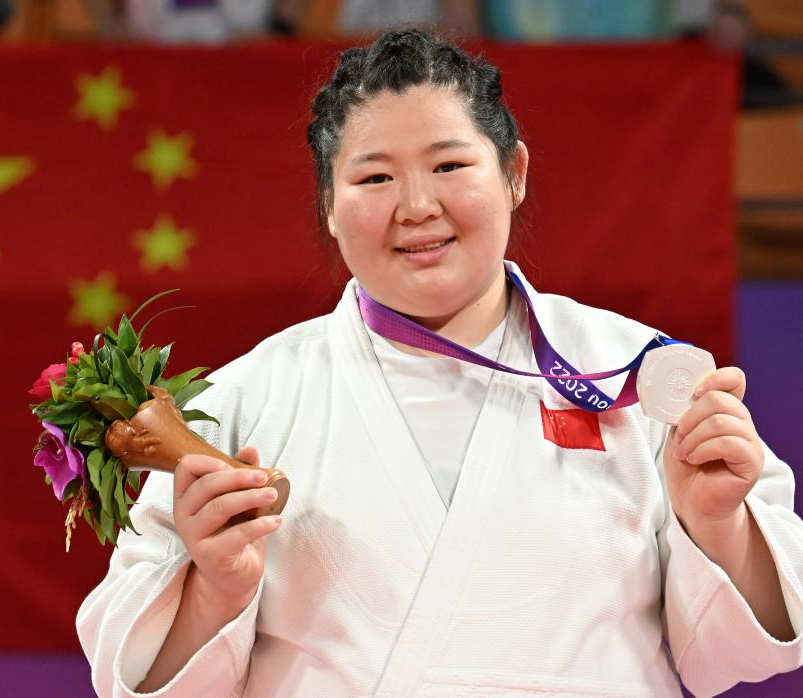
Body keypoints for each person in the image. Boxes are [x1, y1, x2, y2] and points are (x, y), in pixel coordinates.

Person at [77, 29, 803, 697]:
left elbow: (740, 654)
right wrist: (214, 591)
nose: (417, 206)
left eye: (449, 165)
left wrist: (719, 526)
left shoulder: (632, 374)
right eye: (374, 179)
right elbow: (129, 677)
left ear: (513, 173)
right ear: (328, 204)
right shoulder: (243, 403)